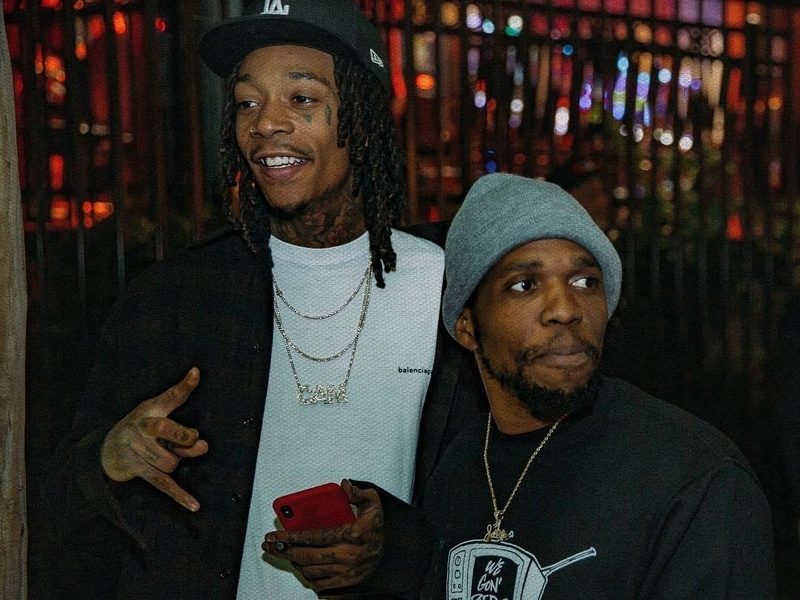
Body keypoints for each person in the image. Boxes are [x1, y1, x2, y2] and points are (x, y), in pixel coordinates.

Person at [40, 1, 484, 598]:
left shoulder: (448, 291)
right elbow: (59, 504)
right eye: (247, 102)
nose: (265, 123)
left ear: (364, 117)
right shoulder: (177, 297)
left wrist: (395, 547)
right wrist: (107, 458)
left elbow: (498, 495)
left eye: (301, 98)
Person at [270, 172, 776, 598]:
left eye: (585, 282)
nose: (565, 309)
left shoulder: (695, 481)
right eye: (525, 285)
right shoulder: (462, 461)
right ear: (467, 326)